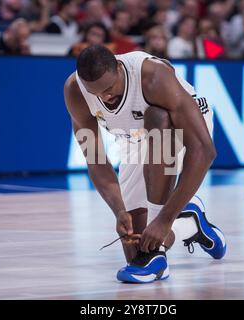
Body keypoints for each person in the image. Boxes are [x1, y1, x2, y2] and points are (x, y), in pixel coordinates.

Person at [63, 44, 226, 283]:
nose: (105, 96)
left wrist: (163, 219)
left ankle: (168, 230)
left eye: (109, 88)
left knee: (158, 118)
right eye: (96, 92)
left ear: (119, 68)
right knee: (137, 250)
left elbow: (204, 150)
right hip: (133, 137)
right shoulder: (75, 90)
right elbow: (95, 160)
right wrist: (119, 210)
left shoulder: (152, 75)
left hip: (183, 129)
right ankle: (189, 223)